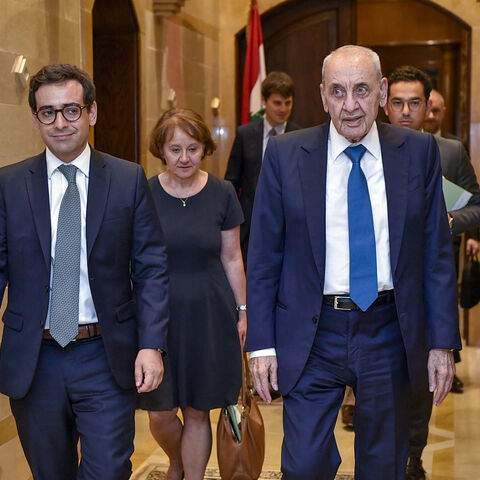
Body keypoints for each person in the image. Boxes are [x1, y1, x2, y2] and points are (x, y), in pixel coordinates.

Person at [245, 45, 461, 480]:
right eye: (338, 91)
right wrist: (262, 345)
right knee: (304, 465)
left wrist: (442, 342)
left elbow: (435, 254)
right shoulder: (286, 156)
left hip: (389, 331)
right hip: (311, 332)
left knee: (384, 465)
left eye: (361, 90)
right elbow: (265, 257)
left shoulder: (418, 153)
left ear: (381, 92)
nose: (350, 105)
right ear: (322, 96)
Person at [0, 64, 169, 480]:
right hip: (34, 359)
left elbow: (150, 268)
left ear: (92, 113)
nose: (60, 122)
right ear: (35, 118)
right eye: (48, 112)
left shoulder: (127, 180)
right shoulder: (9, 184)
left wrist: (151, 344)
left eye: (71, 110)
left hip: (105, 354)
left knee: (108, 470)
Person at [137, 109, 247, 480]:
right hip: (158, 315)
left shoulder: (222, 192)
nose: (184, 158)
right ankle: (179, 461)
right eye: (175, 149)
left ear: (204, 149)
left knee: (199, 408)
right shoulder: (144, 193)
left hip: (209, 312)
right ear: (162, 151)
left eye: (193, 149)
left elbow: (232, 257)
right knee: (160, 411)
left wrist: (243, 311)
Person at [383, 65, 480, 480]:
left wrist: (447, 220)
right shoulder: (366, 149)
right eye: (398, 102)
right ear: (384, 104)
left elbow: (476, 205)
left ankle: (412, 457)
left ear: (429, 107)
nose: (406, 111)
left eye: (415, 103)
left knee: (421, 379)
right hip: (379, 286)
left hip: (426, 285)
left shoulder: (451, 151)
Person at [225, 71, 301, 261]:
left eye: (288, 103)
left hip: (288, 224)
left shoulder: (300, 136)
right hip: (250, 223)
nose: (283, 109)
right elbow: (231, 182)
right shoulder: (245, 134)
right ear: (264, 101)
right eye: (277, 103)